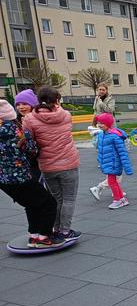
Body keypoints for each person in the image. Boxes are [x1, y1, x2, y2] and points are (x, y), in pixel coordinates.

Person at [23, 86, 81, 241]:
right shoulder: (65, 115)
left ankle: (56, 228)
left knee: (56, 198)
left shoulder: (30, 118)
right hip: (69, 162)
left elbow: (29, 140)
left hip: (48, 165)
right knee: (69, 198)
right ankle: (65, 230)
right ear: (57, 100)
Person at [0, 99, 59, 248]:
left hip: (3, 179)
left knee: (31, 204)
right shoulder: (17, 129)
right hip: (20, 176)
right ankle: (44, 237)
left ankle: (33, 235)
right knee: (49, 203)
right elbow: (32, 150)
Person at [95, 113, 133, 209]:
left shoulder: (115, 136)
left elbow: (122, 152)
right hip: (107, 162)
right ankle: (122, 199)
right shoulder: (101, 135)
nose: (99, 125)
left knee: (112, 181)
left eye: (102, 123)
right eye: (98, 123)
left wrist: (127, 168)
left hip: (113, 163)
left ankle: (117, 200)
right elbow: (101, 149)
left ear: (108, 124)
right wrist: (100, 160)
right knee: (113, 181)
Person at [14, 89, 40, 180]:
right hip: (26, 160)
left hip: (41, 159)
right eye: (18, 104)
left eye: (24, 104)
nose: (20, 107)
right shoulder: (16, 121)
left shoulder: (40, 118)